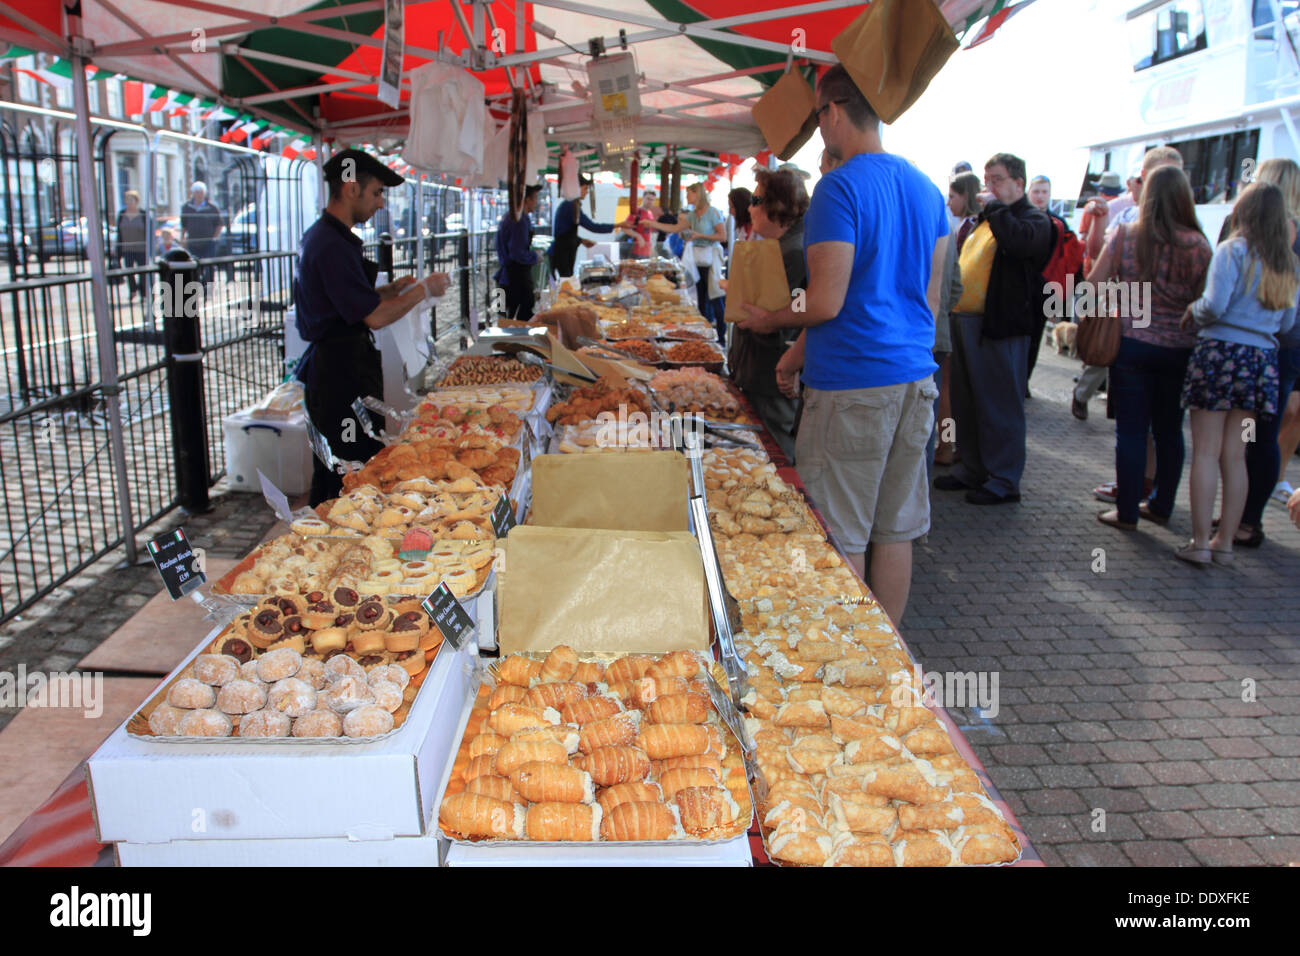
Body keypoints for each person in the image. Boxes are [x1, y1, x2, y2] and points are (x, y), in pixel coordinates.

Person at [737, 64, 948, 625]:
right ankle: (888, 653)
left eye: (819, 118)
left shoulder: (841, 187)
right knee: (894, 528)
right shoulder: (926, 188)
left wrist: (776, 323)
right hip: (914, 378)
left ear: (831, 112)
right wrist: (795, 351)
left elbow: (826, 302)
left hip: (854, 384)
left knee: (843, 529)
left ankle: (849, 648)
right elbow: (928, 299)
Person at [294, 149, 450, 505]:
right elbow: (375, 317)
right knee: (349, 475)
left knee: (348, 468)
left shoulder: (326, 237)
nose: (381, 203)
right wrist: (424, 291)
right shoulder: (330, 244)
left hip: (341, 369)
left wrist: (387, 291)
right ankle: (335, 545)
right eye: (377, 192)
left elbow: (345, 304)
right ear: (351, 188)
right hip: (339, 378)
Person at [1176, 181, 1298, 565]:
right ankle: (1225, 544)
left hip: (1220, 356)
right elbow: (1289, 322)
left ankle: (1199, 543)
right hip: (1260, 365)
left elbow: (1213, 305)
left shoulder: (1232, 251)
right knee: (1236, 455)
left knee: (1206, 453)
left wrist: (1191, 312)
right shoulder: (1287, 263)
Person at [1090, 165, 1211, 531]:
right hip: (1179, 347)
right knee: (1169, 431)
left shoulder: (1126, 235)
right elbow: (1206, 300)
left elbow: (1093, 284)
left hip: (1131, 343)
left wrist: (1123, 299)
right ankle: (1161, 505)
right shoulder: (1199, 244)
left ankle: (1126, 511)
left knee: (1130, 431)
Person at [936, 153, 1052, 505]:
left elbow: (1020, 244)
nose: (989, 186)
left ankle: (1004, 477)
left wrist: (997, 209)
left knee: (999, 405)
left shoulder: (1031, 219)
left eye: (997, 179)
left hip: (1000, 327)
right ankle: (973, 466)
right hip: (966, 323)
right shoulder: (987, 220)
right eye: (987, 179)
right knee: (967, 403)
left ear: (1019, 183)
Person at [1074, 147, 1184, 423]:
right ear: (1143, 177)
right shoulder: (1124, 215)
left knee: (1151, 421)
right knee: (1104, 354)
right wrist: (1099, 223)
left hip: (1164, 329)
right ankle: (1084, 395)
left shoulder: (1186, 226)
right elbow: (1097, 255)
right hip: (1126, 309)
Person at [1227, 158, 1300, 547]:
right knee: (1264, 435)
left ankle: (1241, 518)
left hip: (1263, 344)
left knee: (1246, 434)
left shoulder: (1273, 232)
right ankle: (1247, 517)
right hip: (1288, 346)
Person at [728, 168, 808, 463]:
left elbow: (800, 312)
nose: (749, 207)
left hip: (772, 378)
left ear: (777, 205)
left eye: (756, 199)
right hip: (758, 372)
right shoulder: (778, 247)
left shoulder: (795, 253)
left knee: (775, 456)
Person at [653, 182, 727, 337]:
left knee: (715, 296)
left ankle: (721, 335)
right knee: (701, 297)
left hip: (711, 259)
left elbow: (722, 236)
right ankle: (705, 333)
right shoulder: (692, 215)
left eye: (689, 193)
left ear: (697, 194)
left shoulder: (713, 213)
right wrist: (652, 224)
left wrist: (701, 236)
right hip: (698, 259)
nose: (687, 196)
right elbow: (674, 228)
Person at [549, 174, 615, 279]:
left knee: (566, 280)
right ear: (577, 189)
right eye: (585, 188)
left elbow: (567, 232)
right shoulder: (570, 205)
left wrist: (581, 240)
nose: (587, 192)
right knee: (565, 281)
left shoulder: (571, 205)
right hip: (561, 253)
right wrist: (617, 225)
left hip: (564, 251)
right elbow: (592, 226)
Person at [494, 183, 542, 322]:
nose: (537, 203)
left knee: (504, 320)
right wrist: (535, 256)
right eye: (535, 198)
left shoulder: (510, 216)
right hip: (514, 282)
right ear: (527, 200)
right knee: (515, 324)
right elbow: (517, 253)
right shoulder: (518, 220)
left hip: (505, 281)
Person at [180, 181, 224, 284]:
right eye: (196, 192)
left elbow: (219, 224)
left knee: (208, 267)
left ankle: (207, 287)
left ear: (205, 193)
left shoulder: (212, 207)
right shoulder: (187, 207)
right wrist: (183, 238)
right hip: (193, 242)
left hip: (208, 242)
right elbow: (184, 225)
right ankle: (196, 287)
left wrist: (214, 238)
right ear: (193, 193)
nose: (199, 194)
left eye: (201, 192)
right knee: (194, 266)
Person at [115, 189, 151, 301]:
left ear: (136, 201)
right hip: (127, 248)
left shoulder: (143, 214)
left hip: (141, 248)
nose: (129, 202)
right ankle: (133, 290)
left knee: (142, 272)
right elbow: (119, 232)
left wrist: (150, 246)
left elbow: (148, 232)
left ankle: (143, 293)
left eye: (131, 200)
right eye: (127, 200)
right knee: (129, 271)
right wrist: (117, 248)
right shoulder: (122, 214)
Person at [620, 187, 660, 259]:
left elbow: (650, 232)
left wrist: (651, 247)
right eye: (648, 199)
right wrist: (638, 236)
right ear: (643, 198)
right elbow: (624, 227)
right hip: (634, 251)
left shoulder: (650, 213)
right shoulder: (636, 211)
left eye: (652, 200)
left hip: (646, 252)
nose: (650, 202)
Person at [948, 172, 983, 254]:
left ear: (965, 196)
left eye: (951, 197)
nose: (948, 203)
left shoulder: (967, 227)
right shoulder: (976, 222)